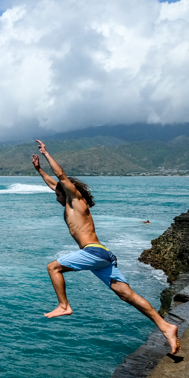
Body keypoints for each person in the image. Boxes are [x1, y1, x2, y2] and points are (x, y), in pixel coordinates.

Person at [31, 140, 180, 355]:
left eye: (58, 193)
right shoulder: (68, 202)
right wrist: (39, 170)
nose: (55, 195)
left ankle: (64, 306)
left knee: (53, 267)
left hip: (93, 252)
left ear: (68, 191)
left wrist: (46, 154)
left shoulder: (77, 201)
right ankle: (166, 327)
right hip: (102, 255)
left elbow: (61, 177)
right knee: (125, 294)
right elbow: (54, 183)